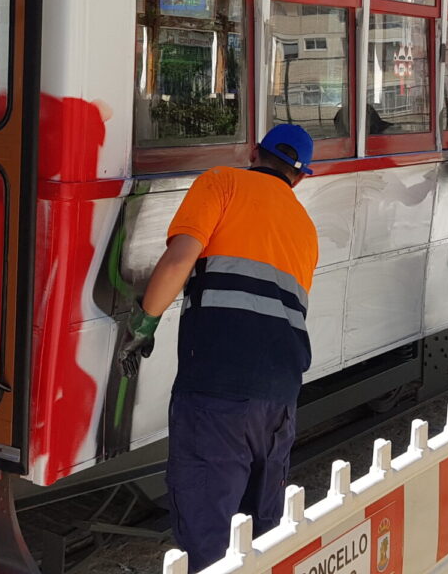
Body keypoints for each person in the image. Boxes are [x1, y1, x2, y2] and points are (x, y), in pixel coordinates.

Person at [118, 124, 319, 569]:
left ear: (254, 152)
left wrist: (144, 324)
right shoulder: (305, 227)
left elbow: (180, 257)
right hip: (280, 396)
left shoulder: (222, 182)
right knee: (260, 533)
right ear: (302, 177)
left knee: (210, 536)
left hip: (217, 390)